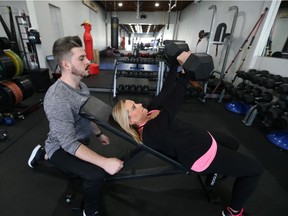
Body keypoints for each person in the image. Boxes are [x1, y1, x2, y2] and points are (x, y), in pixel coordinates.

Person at [112, 51, 263, 216]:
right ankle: (233, 211)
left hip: (199, 138)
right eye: (134, 108)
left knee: (233, 144)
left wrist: (176, 64)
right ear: (131, 121)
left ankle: (216, 172)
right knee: (254, 170)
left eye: (135, 103)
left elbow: (166, 90)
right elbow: (172, 106)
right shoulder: (150, 132)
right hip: (201, 155)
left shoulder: (149, 112)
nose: (140, 104)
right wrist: (185, 74)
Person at [28, 35, 123, 216]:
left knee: (81, 171)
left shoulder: (82, 87)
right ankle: (90, 211)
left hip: (78, 141)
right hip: (62, 147)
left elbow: (88, 114)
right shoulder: (57, 98)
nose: (88, 61)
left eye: (86, 57)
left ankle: (42, 154)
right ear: (66, 64)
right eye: (82, 58)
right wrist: (104, 163)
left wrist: (98, 134)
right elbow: (69, 144)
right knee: (96, 175)